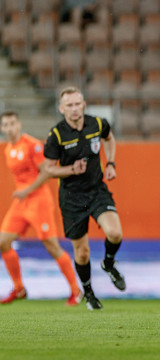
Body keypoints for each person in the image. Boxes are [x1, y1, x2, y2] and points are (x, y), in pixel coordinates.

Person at [43, 87, 126, 311]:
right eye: (69, 105)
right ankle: (88, 292)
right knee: (82, 252)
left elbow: (109, 138)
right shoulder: (57, 135)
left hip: (96, 189)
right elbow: (48, 169)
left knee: (115, 233)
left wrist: (110, 163)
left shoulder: (97, 124)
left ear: (84, 104)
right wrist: (71, 169)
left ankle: (108, 264)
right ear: (61, 109)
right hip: (71, 197)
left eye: (77, 104)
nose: (74, 109)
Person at [0, 111, 82, 306]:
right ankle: (19, 288)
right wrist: (23, 192)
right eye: (5, 125)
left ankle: (76, 290)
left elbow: (47, 172)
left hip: (38, 201)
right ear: (2, 128)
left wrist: (26, 190)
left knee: (51, 246)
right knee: (3, 242)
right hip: (21, 202)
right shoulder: (8, 150)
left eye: (12, 123)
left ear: (19, 125)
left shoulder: (33, 145)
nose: (9, 128)